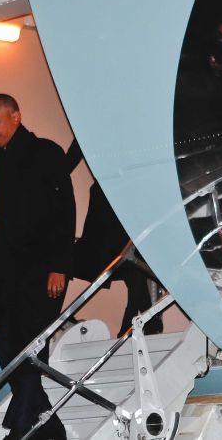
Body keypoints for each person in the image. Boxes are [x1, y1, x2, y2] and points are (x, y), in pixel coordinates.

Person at [0, 94, 75, 439]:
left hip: (44, 270)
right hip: (10, 271)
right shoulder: (2, 158)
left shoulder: (46, 152)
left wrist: (59, 265)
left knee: (31, 343)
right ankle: (45, 419)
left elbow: (65, 213)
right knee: (5, 342)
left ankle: (21, 425)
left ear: (15, 116)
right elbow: (1, 224)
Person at [66, 140, 163, 337]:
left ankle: (139, 323)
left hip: (118, 201)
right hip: (112, 201)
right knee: (130, 264)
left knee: (130, 264)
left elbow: (70, 160)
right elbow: (70, 160)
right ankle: (144, 323)